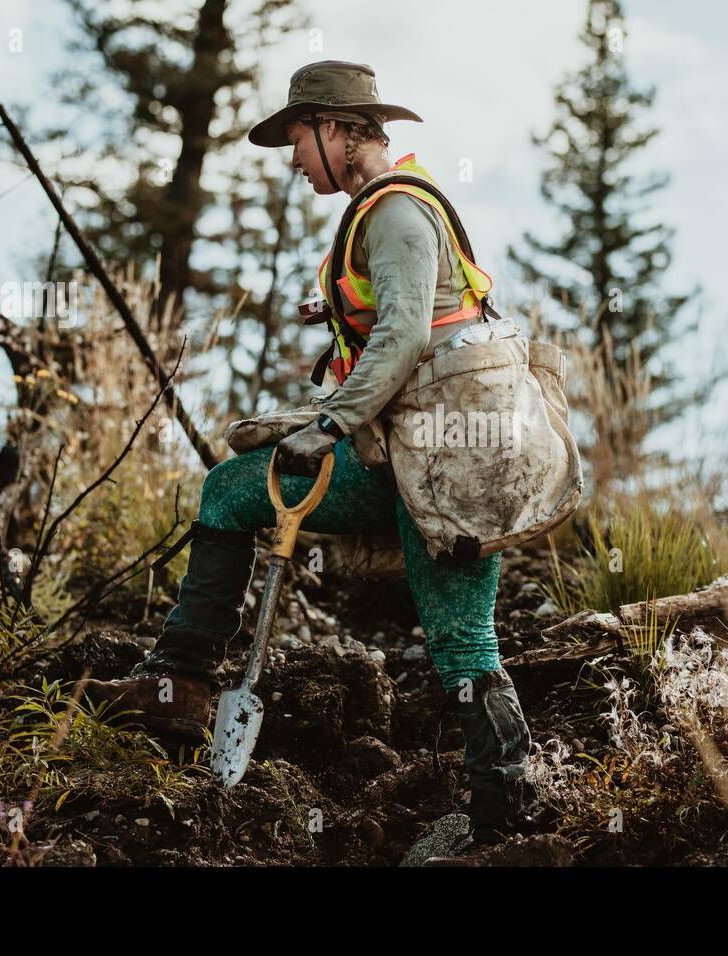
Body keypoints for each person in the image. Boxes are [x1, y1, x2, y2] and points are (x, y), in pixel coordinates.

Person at [82, 60, 542, 846]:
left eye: (297, 138)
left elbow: (401, 339)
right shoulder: (388, 212)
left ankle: (505, 824)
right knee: (239, 495)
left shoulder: (394, 213)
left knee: (457, 637)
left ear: (336, 130)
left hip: (441, 470)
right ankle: (181, 683)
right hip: (428, 463)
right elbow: (409, 323)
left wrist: (325, 426)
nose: (293, 159)